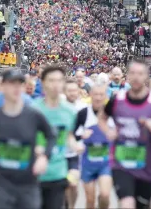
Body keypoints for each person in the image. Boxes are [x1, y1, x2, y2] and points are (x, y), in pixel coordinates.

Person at [0, 69, 55, 209]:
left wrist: (44, 156)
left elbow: (51, 135)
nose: (16, 88)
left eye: (20, 84)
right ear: (2, 86)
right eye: (12, 84)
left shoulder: (33, 115)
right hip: (2, 184)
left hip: (27, 184)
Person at [99, 59, 151, 209]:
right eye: (133, 73)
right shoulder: (117, 99)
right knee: (127, 204)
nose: (136, 77)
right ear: (128, 76)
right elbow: (102, 118)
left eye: (140, 73)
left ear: (146, 76)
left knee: (142, 205)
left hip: (146, 165)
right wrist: (108, 131)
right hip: (121, 163)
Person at [33, 66, 84, 209]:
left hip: (58, 172)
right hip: (35, 173)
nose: (55, 85)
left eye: (59, 81)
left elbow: (68, 135)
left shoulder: (70, 111)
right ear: (43, 83)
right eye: (51, 80)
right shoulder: (33, 109)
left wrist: (75, 145)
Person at [75, 84, 114, 209]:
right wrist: (81, 137)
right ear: (90, 95)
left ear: (106, 96)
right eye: (95, 94)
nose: (98, 98)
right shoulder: (83, 113)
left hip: (106, 163)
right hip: (87, 163)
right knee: (90, 200)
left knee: (105, 195)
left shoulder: (112, 114)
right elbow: (72, 135)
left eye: (101, 95)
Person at [63, 78, 87, 209]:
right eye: (69, 90)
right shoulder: (59, 106)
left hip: (76, 153)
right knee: (66, 184)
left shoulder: (83, 107)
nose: (72, 93)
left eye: (74, 90)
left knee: (73, 183)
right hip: (60, 153)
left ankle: (71, 206)